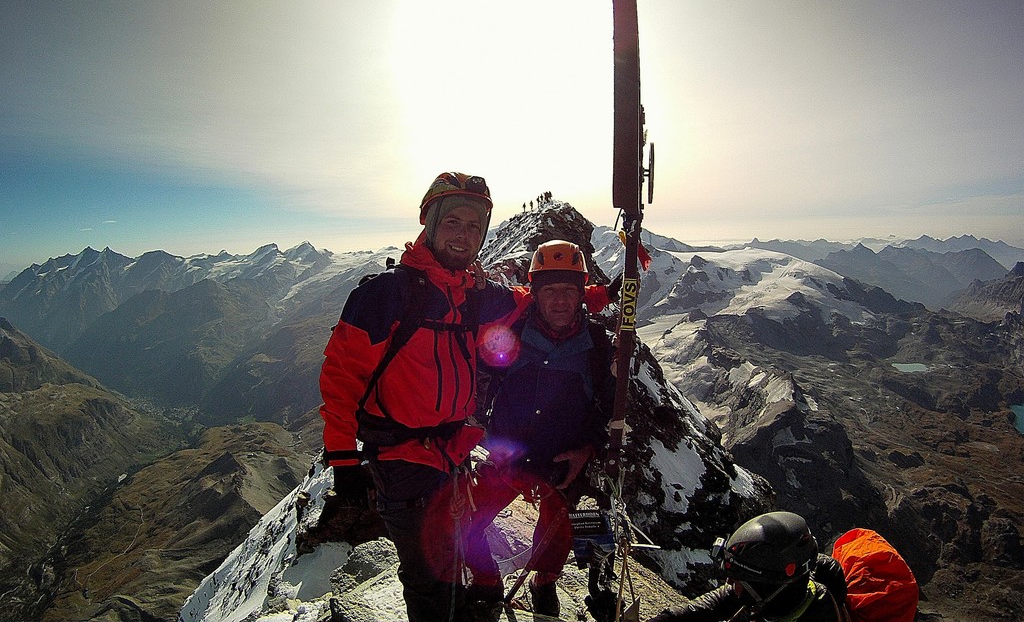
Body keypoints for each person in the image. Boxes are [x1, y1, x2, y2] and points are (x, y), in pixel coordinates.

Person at [319, 173, 612, 622]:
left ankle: (478, 601)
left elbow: (538, 298)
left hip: (452, 455)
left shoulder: (477, 297)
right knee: (430, 577)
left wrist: (599, 295)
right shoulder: (385, 295)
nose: (464, 234)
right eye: (453, 222)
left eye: (474, 226)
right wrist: (342, 460)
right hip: (402, 460)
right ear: (429, 224)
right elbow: (342, 378)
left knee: (449, 562)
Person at [464, 240, 616, 619]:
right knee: (464, 520)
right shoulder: (510, 331)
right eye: (550, 291)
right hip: (506, 457)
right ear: (535, 293)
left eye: (568, 291)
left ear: (582, 294)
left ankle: (544, 582)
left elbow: (610, 411)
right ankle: (486, 579)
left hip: (559, 463)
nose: (560, 301)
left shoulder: (598, 346)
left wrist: (588, 450)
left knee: (558, 532)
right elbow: (475, 381)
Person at [648, 511, 848, 622]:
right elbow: (705, 608)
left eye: (740, 580)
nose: (730, 584)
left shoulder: (819, 616)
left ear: (770, 584)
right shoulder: (776, 596)